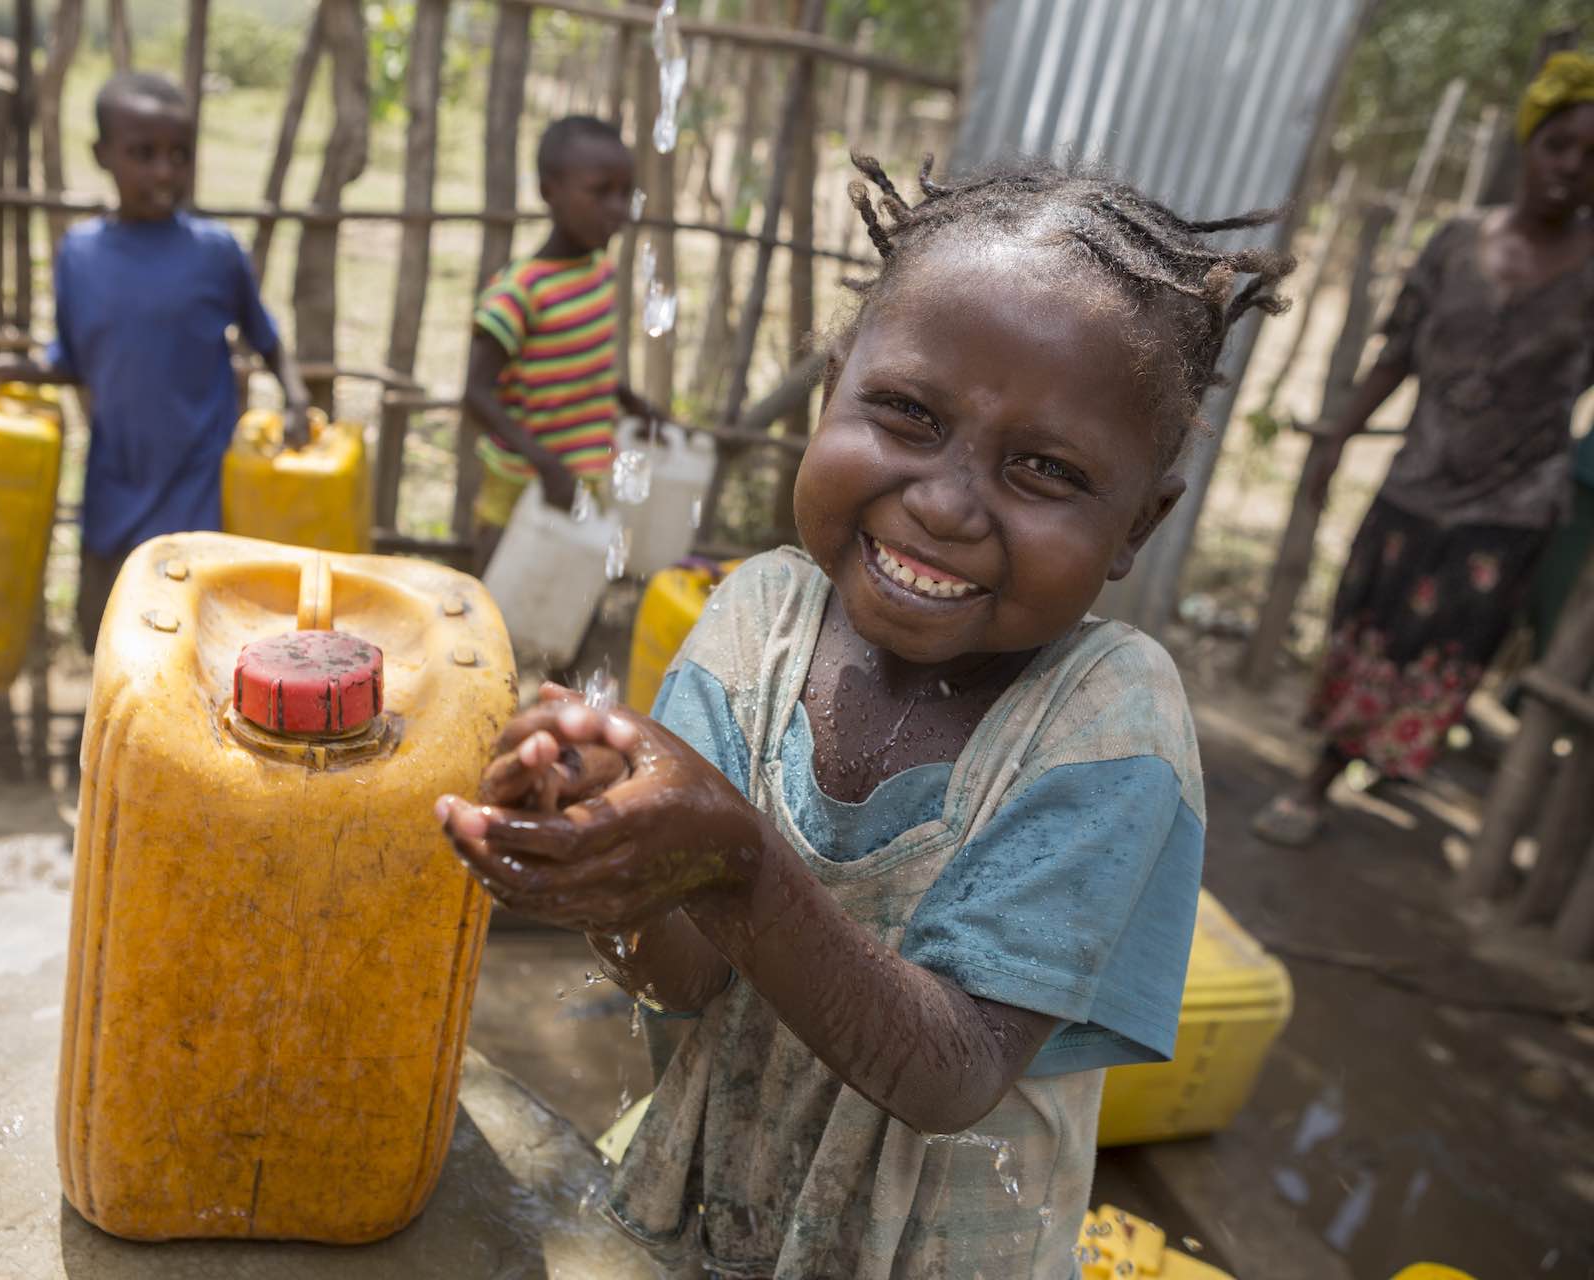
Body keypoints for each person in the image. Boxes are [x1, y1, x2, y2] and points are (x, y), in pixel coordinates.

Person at [435, 155, 1294, 1277]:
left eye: (1043, 468)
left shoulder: (1108, 722)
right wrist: (606, 852)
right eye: (905, 412)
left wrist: (734, 860)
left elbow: (951, 1069)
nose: (943, 501)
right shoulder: (755, 621)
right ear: (835, 386)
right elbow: (683, 976)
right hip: (700, 1215)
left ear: (1139, 521)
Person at [1253, 52, 1594, 847]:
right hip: (1416, 483)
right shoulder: (1455, 241)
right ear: (1527, 148)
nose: (1572, 170)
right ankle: (1345, 758)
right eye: (1559, 148)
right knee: (1369, 627)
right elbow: (1398, 350)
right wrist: (1336, 439)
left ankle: (1322, 784)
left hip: (1512, 503)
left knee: (1440, 645)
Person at [0, 71, 307, 651]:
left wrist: (295, 400)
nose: (163, 172)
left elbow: (267, 340)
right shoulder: (81, 255)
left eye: (179, 155)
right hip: (114, 489)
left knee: (196, 646)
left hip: (199, 494)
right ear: (103, 155)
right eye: (143, 154)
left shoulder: (215, 253)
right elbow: (73, 362)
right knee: (111, 642)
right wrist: (10, 371)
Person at [462, 115, 662, 568]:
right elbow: (475, 394)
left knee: (560, 596)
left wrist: (631, 401)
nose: (617, 208)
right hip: (520, 489)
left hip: (582, 476)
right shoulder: (519, 293)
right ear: (549, 191)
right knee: (502, 598)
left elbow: (580, 366)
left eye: (625, 192)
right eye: (599, 192)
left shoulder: (598, 273)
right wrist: (544, 464)